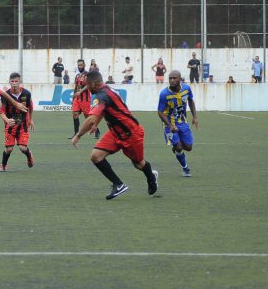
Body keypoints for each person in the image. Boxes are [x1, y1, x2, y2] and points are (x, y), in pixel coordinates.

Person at [71, 70, 158, 200]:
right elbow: (103, 111)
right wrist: (96, 124)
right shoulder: (106, 90)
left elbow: (91, 119)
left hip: (131, 133)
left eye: (88, 85)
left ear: (94, 83)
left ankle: (151, 176)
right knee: (95, 156)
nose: (87, 88)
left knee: (139, 164)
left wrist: (78, 135)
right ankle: (118, 184)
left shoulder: (102, 95)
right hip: (115, 133)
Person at [157, 70, 199, 177]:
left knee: (189, 147)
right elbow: (160, 112)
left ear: (180, 79)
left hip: (182, 122)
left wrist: (194, 116)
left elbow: (190, 100)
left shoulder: (186, 89)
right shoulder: (164, 94)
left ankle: (175, 148)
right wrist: (170, 125)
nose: (172, 80)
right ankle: (185, 168)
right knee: (179, 147)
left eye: (174, 78)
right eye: (170, 78)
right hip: (169, 124)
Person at [0, 72, 35, 172]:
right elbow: (1, 111)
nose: (14, 83)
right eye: (12, 81)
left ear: (20, 82)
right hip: (10, 126)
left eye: (16, 81)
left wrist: (31, 119)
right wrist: (6, 120)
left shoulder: (26, 94)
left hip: (23, 126)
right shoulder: (5, 95)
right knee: (9, 149)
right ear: (9, 82)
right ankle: (3, 165)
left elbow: (30, 107)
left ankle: (29, 155)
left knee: (23, 148)